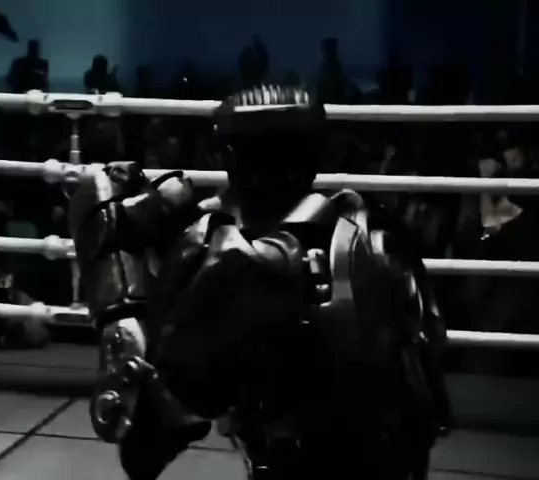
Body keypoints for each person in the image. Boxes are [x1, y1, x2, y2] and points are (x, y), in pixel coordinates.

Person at [67, 84, 451, 480]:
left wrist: (126, 311)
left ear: (228, 158)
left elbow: (147, 448)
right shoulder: (378, 232)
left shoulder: (239, 268)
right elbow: (431, 350)